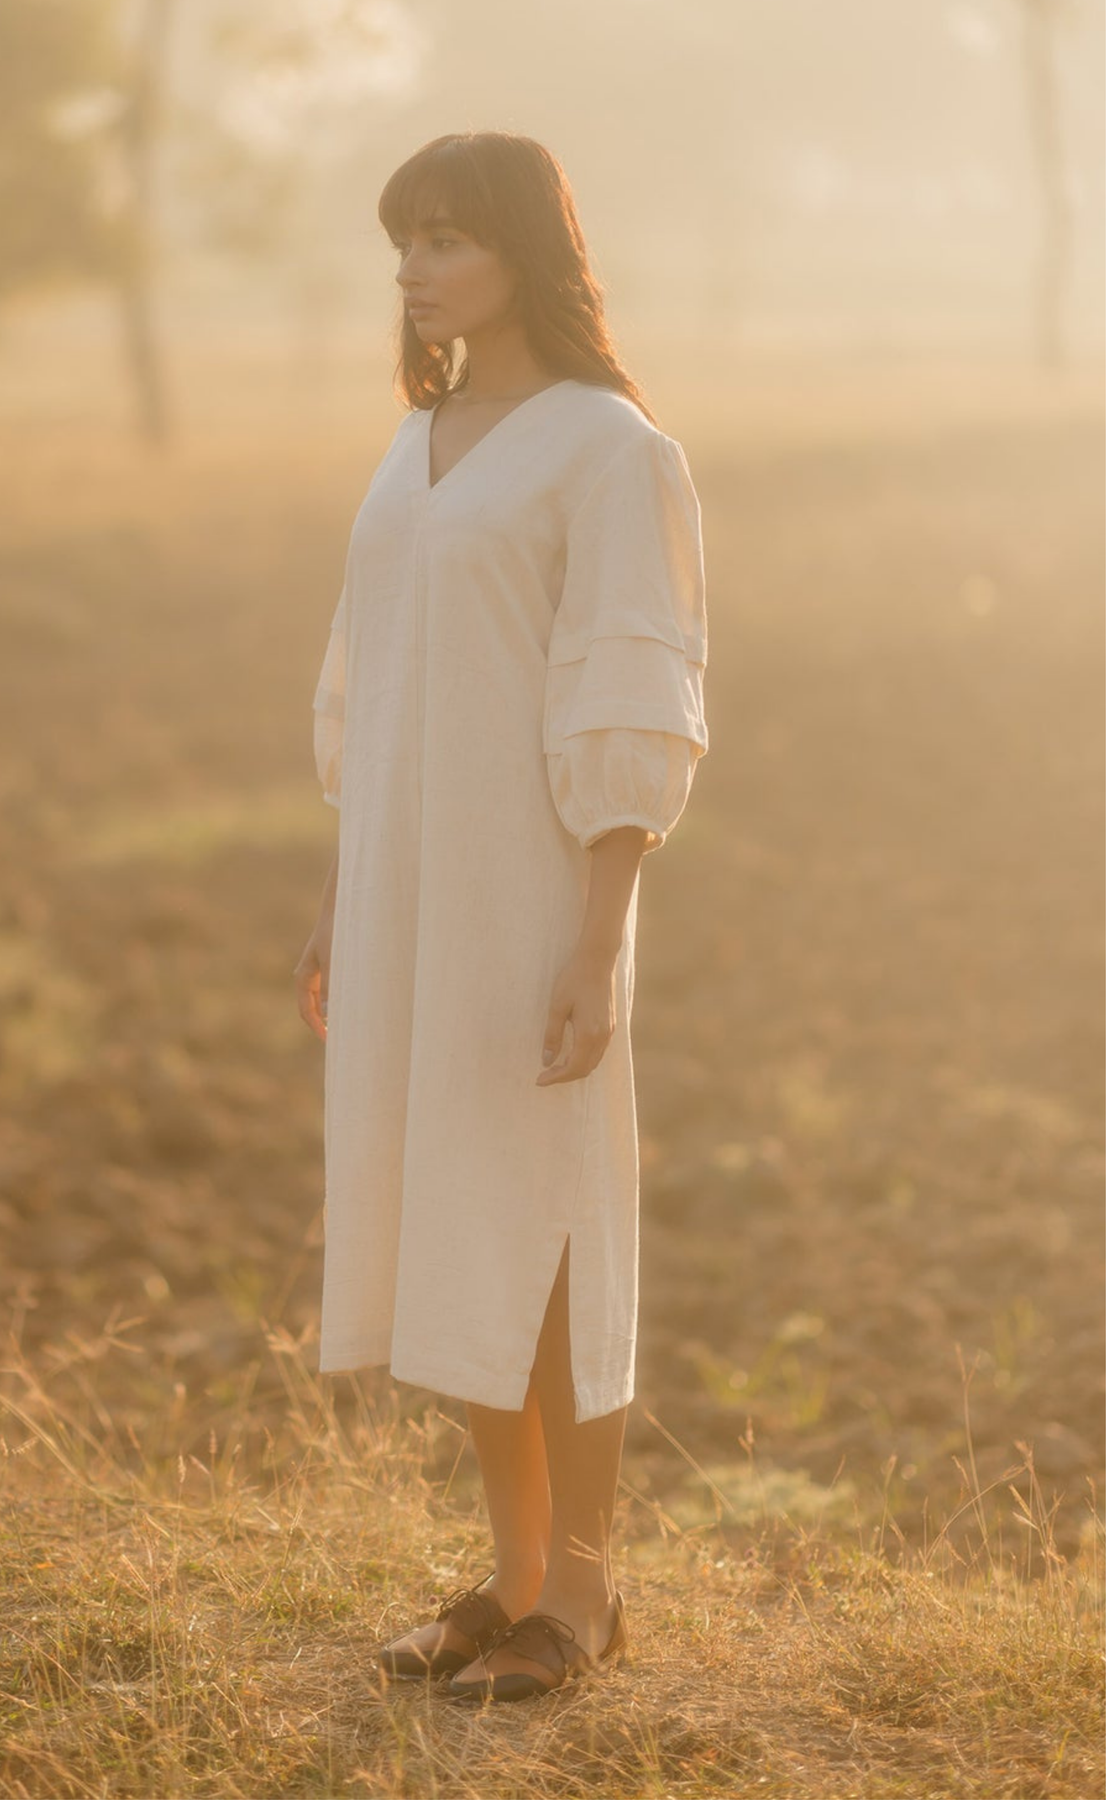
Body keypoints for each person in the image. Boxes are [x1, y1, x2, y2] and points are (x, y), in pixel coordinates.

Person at [295, 130, 709, 1704]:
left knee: (543, 1229)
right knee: (448, 1214)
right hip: (407, 894)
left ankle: (585, 1599)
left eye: (448, 237)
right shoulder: (421, 439)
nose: (413, 268)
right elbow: (372, 683)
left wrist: (598, 937)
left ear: (528, 252)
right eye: (403, 239)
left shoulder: (612, 450)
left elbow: (628, 687)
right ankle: (513, 1576)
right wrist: (342, 899)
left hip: (535, 888)